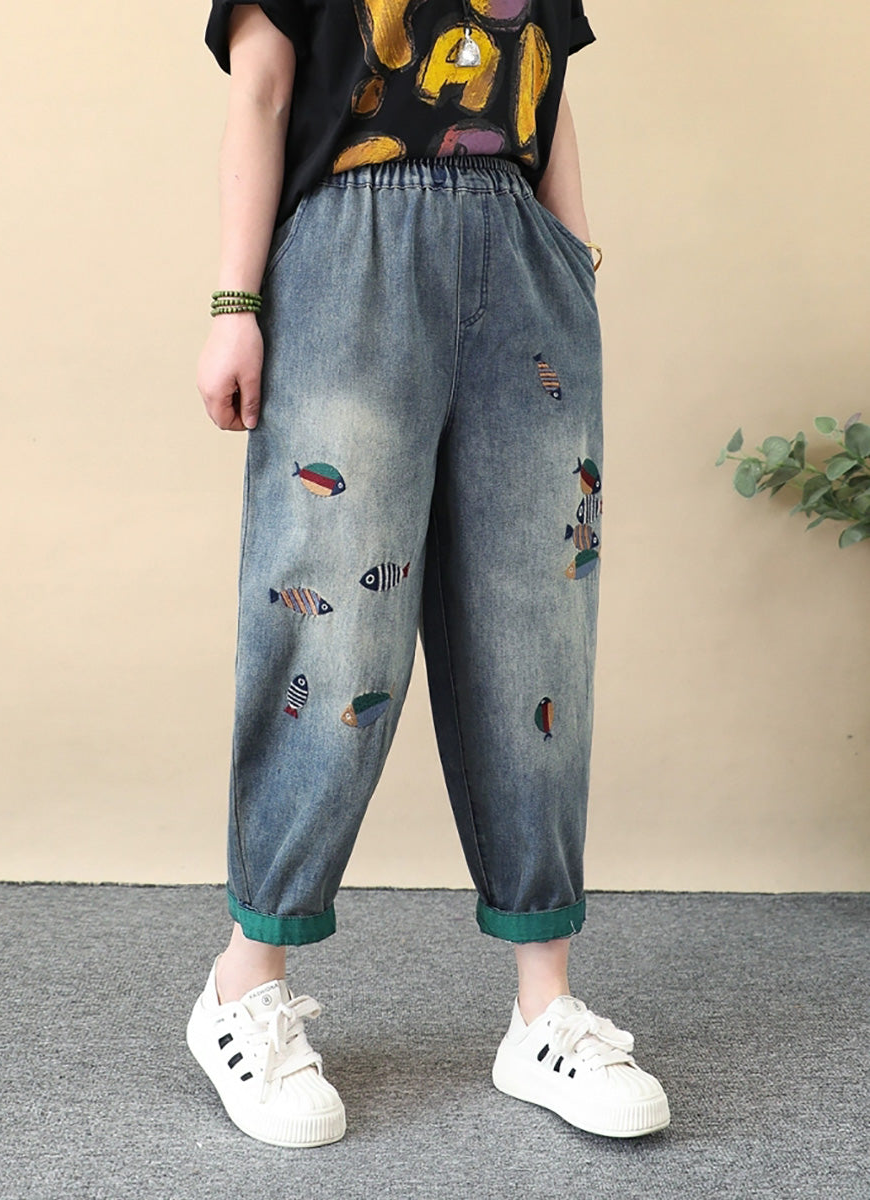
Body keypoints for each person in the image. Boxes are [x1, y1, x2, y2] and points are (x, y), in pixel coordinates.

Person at [189, 0, 670, 1149]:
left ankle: (544, 1010)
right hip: (349, 256)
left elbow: (547, 100)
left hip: (525, 266)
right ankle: (243, 985)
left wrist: (575, 263)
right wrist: (235, 304)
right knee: (332, 625)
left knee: (536, 624)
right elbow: (262, 91)